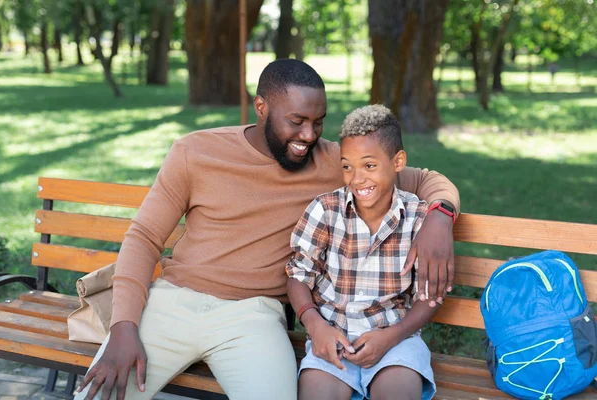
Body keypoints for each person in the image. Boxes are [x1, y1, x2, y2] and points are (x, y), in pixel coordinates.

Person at [75, 59, 459, 400]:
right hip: (173, 302)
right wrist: (124, 327)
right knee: (100, 393)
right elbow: (143, 238)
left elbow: (426, 180)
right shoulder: (195, 152)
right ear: (261, 107)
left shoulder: (336, 163)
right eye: (297, 121)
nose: (309, 135)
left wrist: (439, 218)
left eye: (318, 121)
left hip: (254, 317)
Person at [287, 104, 440, 400]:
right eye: (347, 166)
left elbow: (430, 295)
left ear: (398, 161)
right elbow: (297, 275)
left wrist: (393, 336)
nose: (357, 179)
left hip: (396, 340)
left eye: (369, 166)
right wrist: (315, 325)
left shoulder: (417, 219)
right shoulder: (325, 210)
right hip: (332, 337)